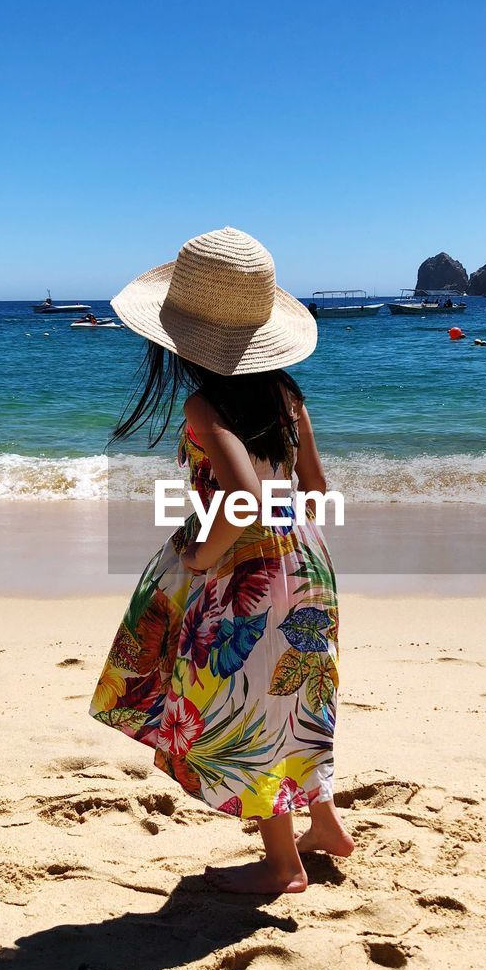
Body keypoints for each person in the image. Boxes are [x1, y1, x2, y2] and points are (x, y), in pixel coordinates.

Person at [89, 227, 352, 894]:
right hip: (308, 565)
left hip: (248, 574)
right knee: (296, 699)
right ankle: (324, 826)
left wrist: (204, 565)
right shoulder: (289, 397)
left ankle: (283, 863)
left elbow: (242, 499)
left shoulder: (204, 405)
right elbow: (313, 491)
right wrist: (291, 549)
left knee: (251, 709)